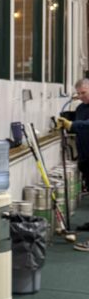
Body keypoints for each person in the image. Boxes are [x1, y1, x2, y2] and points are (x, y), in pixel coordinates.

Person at [57, 78, 89, 248]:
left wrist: (72, 124)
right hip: (85, 157)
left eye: (84, 93)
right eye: (79, 93)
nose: (81, 96)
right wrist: (63, 121)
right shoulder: (81, 108)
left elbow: (84, 125)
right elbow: (77, 124)